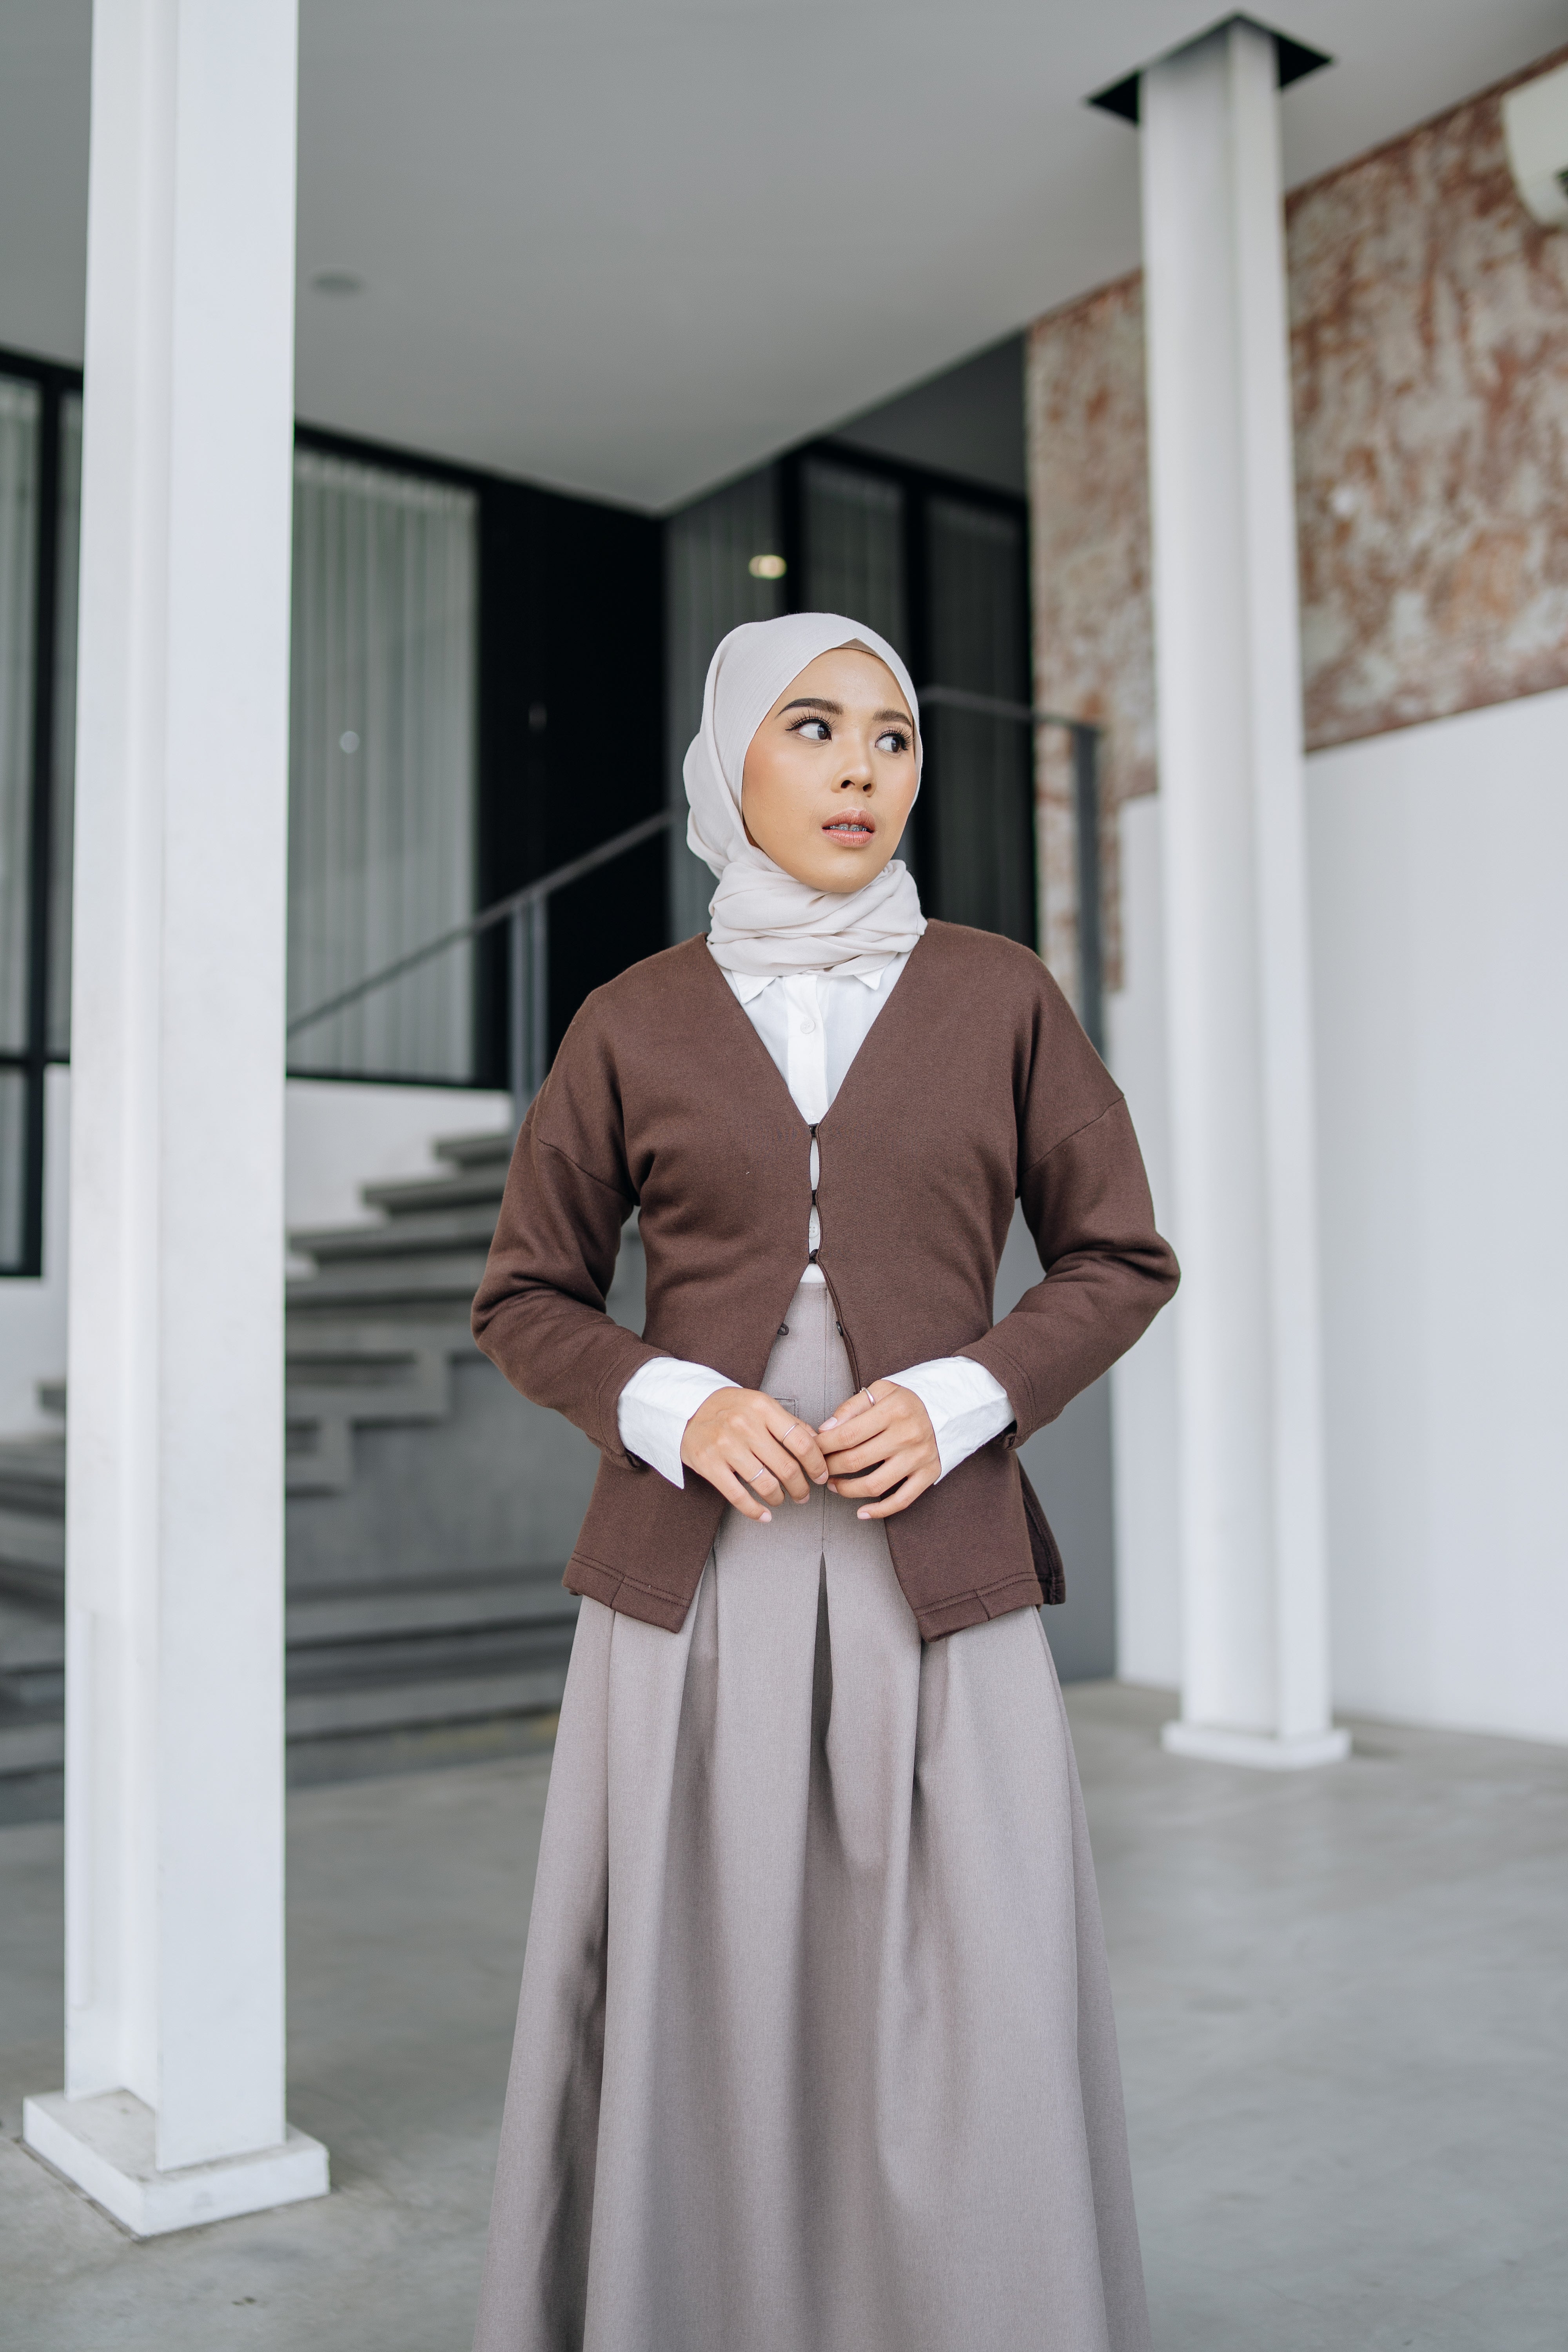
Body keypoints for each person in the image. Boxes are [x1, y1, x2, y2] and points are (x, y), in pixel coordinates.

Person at [469, 612, 1178, 2352]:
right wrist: (664, 1401)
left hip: (936, 1560)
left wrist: (963, 1394)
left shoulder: (1002, 990)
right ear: (731, 764)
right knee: (705, 1981)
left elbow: (1118, 1260)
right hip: (691, 1576)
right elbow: (524, 1293)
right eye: (814, 727)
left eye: (892, 735)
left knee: (976, 1979)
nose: (863, 768)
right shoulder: (629, 1019)